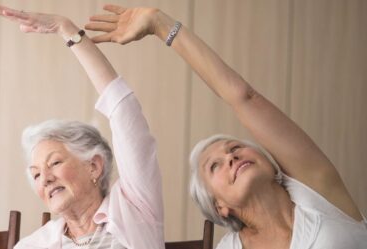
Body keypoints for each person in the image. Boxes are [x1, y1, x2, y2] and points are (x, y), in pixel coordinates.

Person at [85, 4, 367, 248]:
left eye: (236, 148)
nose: (231, 156)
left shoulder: (317, 189)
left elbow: (244, 98)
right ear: (219, 206)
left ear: (271, 164)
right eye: (215, 166)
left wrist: (161, 25)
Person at [0, 3, 165, 248]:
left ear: (94, 166)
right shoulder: (33, 245)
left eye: (55, 163)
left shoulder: (134, 210)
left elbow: (124, 110)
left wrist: (66, 29)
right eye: (36, 174)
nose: (45, 180)